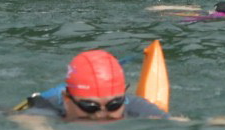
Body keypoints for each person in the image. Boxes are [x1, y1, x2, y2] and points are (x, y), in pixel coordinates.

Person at [18, 48, 165, 121]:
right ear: (67, 99)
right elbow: (28, 122)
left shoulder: (130, 103)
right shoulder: (46, 109)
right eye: (90, 107)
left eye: (113, 105)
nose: (102, 115)